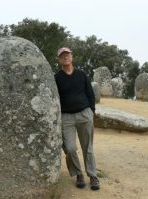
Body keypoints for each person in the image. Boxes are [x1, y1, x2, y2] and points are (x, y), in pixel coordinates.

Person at [54, 47, 100, 190]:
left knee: (88, 148)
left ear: (71, 57)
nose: (65, 57)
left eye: (67, 55)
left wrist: (91, 111)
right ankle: (78, 173)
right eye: (62, 56)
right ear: (59, 60)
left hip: (84, 114)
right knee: (70, 148)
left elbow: (90, 94)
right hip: (66, 117)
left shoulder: (82, 74)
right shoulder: (57, 78)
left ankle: (93, 176)